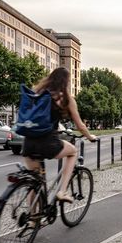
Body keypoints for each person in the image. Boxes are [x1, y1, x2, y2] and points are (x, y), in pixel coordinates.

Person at [22, 67, 96, 202]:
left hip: (28, 142)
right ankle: (62, 191)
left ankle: (32, 221)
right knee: (73, 152)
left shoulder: (37, 92)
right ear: (66, 82)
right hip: (48, 142)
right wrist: (90, 136)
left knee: (34, 183)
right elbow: (80, 125)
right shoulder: (65, 99)